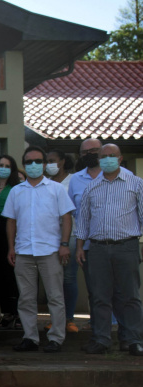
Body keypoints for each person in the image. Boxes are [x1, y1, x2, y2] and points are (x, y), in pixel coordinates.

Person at [3, 146, 74, 353]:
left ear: (44, 164)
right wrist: (11, 247)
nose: (33, 165)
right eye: (29, 162)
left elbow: (66, 218)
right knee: (26, 298)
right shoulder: (17, 191)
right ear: (24, 165)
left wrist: (64, 244)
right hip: (24, 251)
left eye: (37, 161)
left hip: (51, 250)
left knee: (55, 297)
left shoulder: (56, 189)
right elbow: (11, 221)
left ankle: (56, 339)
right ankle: (30, 338)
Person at [75, 144, 143, 357]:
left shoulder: (136, 183)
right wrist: (79, 247)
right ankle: (101, 340)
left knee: (130, 296)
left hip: (127, 246)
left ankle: (132, 340)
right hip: (97, 249)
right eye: (103, 157)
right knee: (99, 296)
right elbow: (83, 220)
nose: (107, 160)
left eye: (111, 156)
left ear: (120, 158)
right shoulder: (92, 187)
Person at [68, 139, 123, 337]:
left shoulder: (125, 176)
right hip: (89, 244)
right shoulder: (75, 180)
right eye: (85, 152)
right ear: (81, 156)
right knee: (95, 288)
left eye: (94, 151)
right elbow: (74, 213)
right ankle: (100, 326)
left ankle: (119, 327)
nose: (90, 154)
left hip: (118, 241)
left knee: (120, 288)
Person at [45, 149, 79, 334]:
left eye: (53, 160)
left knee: (68, 278)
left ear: (63, 161)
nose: (50, 164)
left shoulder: (74, 180)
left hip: (71, 236)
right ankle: (55, 319)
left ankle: (69, 319)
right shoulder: (44, 183)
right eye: (47, 161)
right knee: (52, 280)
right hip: (50, 237)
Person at [0, 155, 20, 329]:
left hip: (8, 230)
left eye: (7, 165)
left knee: (9, 272)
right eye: (0, 165)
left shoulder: (16, 188)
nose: (3, 168)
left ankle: (12, 311)